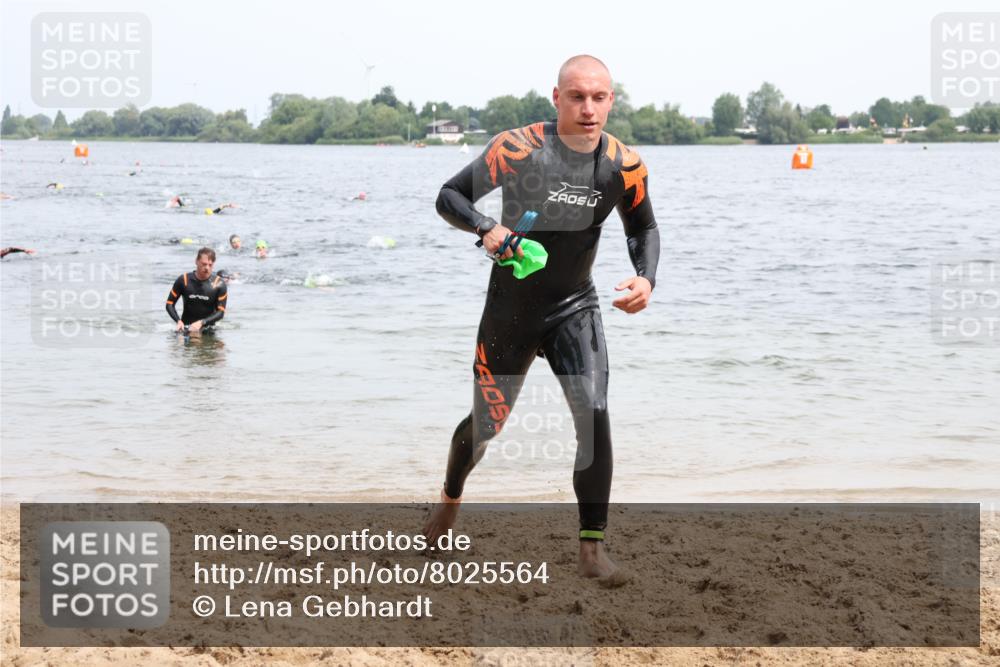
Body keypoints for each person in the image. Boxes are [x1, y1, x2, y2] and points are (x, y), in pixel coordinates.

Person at [424, 55, 660, 579]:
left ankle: (591, 552)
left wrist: (645, 277)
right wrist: (486, 227)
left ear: (611, 101)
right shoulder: (518, 150)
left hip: (575, 305)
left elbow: (642, 228)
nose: (588, 108)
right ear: (557, 98)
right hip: (511, 312)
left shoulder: (623, 165)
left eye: (599, 97)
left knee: (594, 413)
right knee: (487, 425)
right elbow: (448, 196)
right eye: (577, 97)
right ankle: (450, 497)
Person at [165, 247, 229, 334]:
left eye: (210, 265)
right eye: (204, 264)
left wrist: (202, 322)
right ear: (196, 261)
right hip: (186, 327)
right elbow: (169, 304)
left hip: (208, 329)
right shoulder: (184, 280)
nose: (207, 268)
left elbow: (221, 312)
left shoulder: (219, 284)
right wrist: (178, 321)